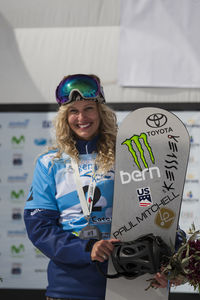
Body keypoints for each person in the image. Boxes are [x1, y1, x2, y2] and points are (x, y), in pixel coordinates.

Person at [24, 74, 183, 300]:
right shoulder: (50, 163)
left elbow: (159, 214)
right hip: (70, 289)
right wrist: (87, 249)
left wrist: (172, 264)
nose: (82, 117)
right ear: (64, 116)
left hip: (131, 284)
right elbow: (39, 227)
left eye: (89, 108)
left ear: (101, 111)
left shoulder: (130, 156)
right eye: (73, 111)